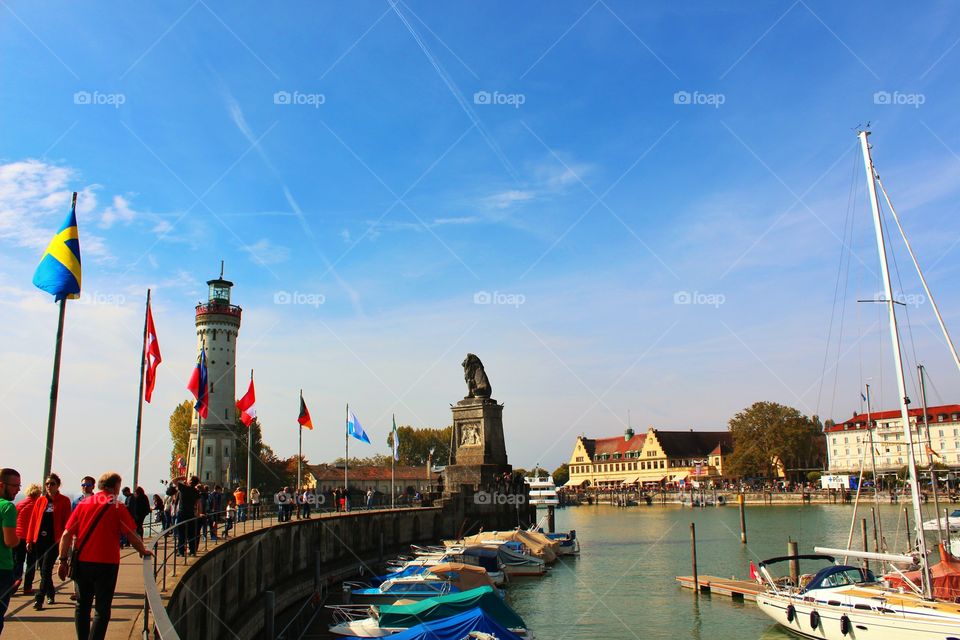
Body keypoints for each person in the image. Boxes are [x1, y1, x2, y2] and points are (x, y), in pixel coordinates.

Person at [57, 471, 153, 640]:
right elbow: (131, 534)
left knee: (82, 605)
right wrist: (142, 550)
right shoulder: (117, 506)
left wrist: (63, 560)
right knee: (102, 609)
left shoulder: (83, 504)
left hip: (83, 562)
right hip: (107, 563)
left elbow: (66, 535)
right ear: (115, 486)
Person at [25, 473, 71, 610]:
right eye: (47, 484)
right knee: (43, 571)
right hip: (39, 540)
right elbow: (33, 521)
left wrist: (66, 541)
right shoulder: (40, 501)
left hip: (54, 541)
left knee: (46, 569)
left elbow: (67, 522)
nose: (49, 486)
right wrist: (29, 540)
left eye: (52, 484)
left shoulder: (64, 501)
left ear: (58, 485)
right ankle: (50, 593)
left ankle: (39, 598)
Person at [0, 468, 21, 636]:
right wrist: (18, 539)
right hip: (2, 569)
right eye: (15, 486)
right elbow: (10, 541)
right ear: (2, 485)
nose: (18, 490)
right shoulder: (7, 507)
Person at [13, 483, 41, 596]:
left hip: (18, 537)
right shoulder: (38, 506)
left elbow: (14, 519)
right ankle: (27, 587)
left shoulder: (20, 504)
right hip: (32, 538)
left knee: (18, 561)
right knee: (31, 563)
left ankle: (16, 581)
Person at [173, 476, 200, 556]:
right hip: (191, 513)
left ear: (190, 481)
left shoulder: (184, 488)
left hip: (182, 513)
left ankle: (181, 551)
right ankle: (192, 551)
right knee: (191, 533)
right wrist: (198, 513)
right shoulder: (196, 491)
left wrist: (181, 477)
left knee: (181, 533)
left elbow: (174, 481)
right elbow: (199, 503)